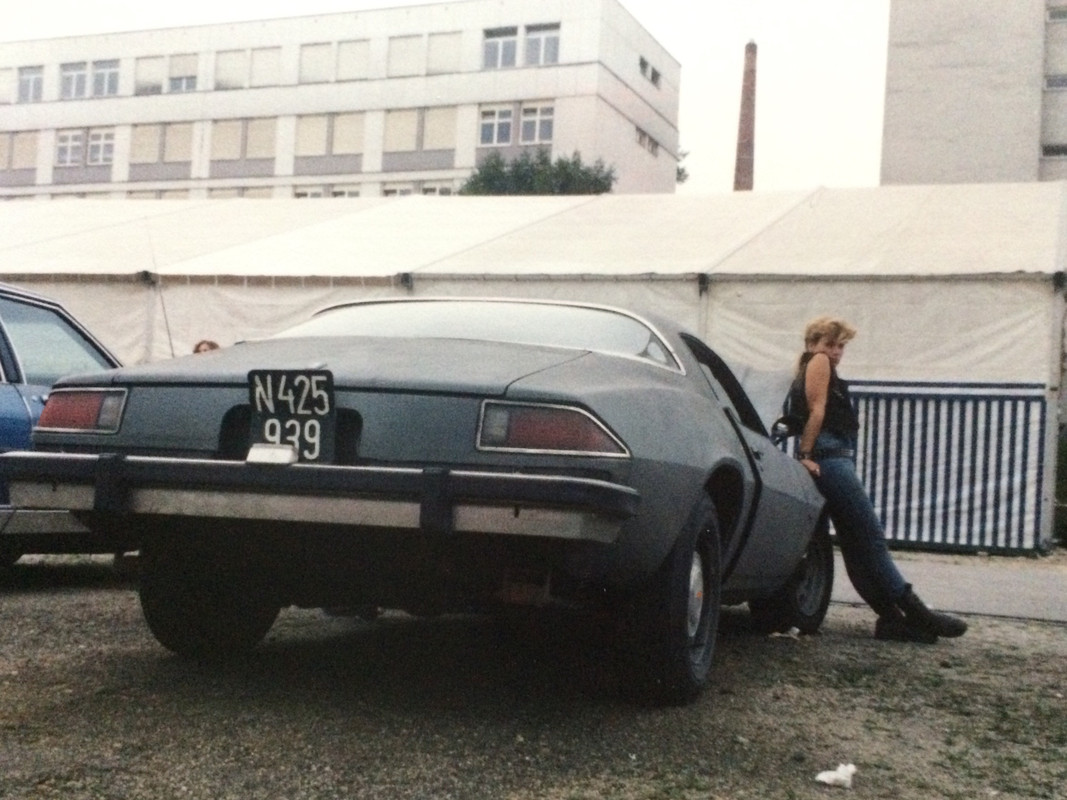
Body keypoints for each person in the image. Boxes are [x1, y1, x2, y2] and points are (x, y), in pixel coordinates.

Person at [788, 316, 967, 644]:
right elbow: (817, 411)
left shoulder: (811, 366)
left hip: (832, 457)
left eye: (841, 346)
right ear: (812, 344)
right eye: (829, 344)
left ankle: (892, 619)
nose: (836, 352)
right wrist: (806, 454)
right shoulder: (819, 362)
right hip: (831, 459)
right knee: (870, 538)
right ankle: (916, 611)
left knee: (855, 546)